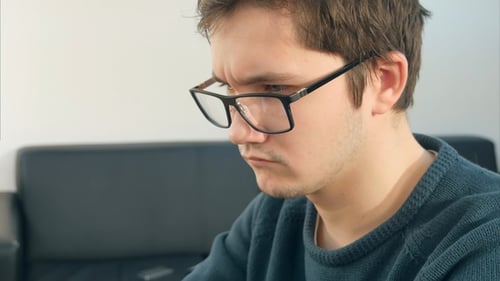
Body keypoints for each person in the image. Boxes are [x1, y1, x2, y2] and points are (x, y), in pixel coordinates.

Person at [185, 0, 500, 280]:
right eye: (228, 87)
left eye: (274, 88)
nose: (238, 133)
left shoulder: (483, 246)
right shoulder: (273, 215)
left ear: (385, 81)